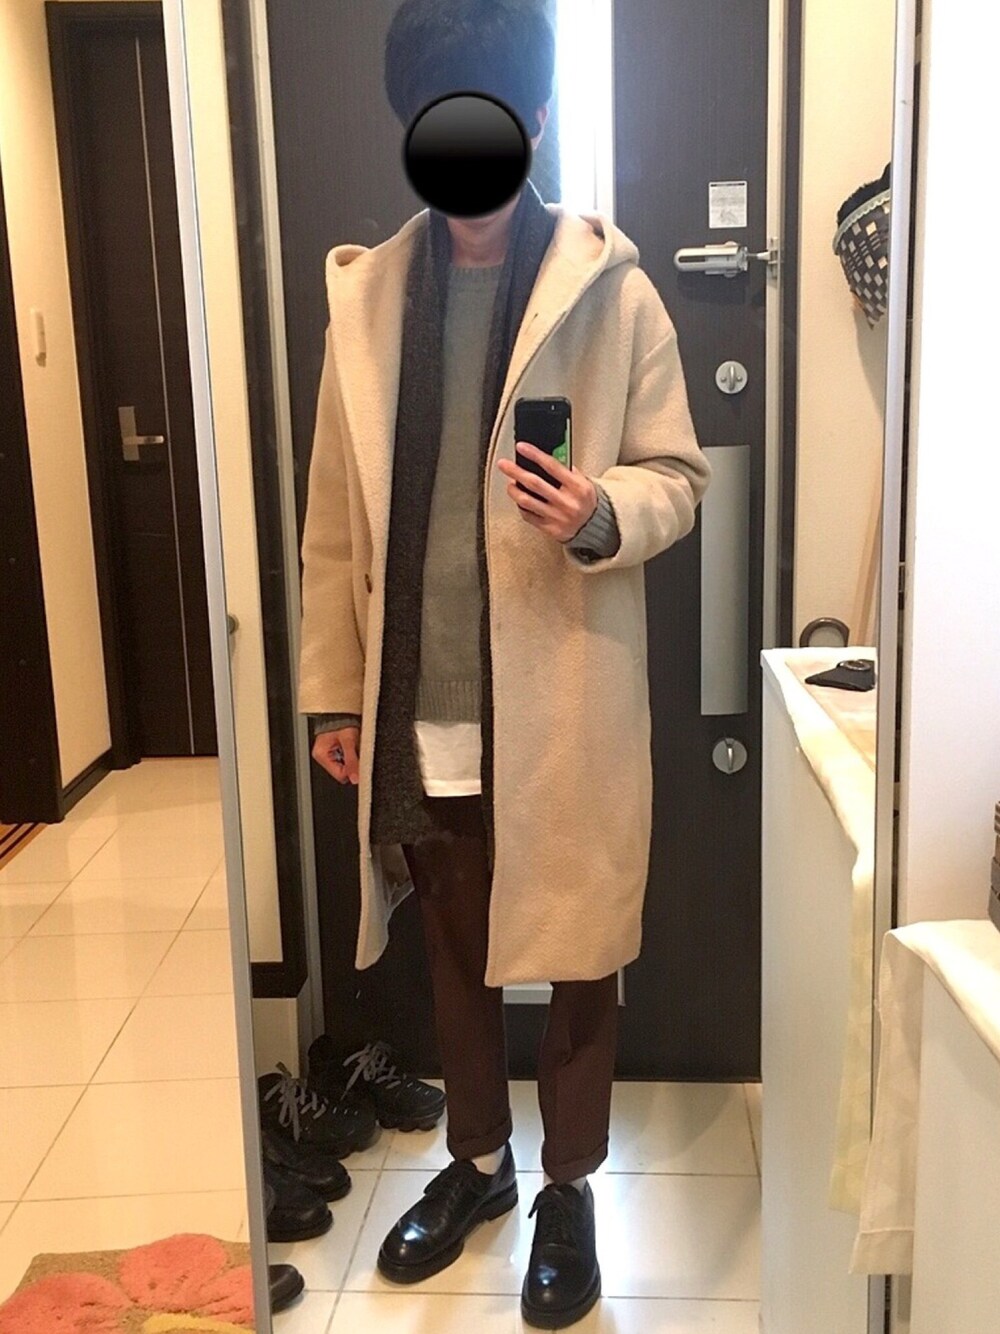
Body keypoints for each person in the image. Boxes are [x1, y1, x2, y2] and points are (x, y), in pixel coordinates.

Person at [298, 1, 711, 1326]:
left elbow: (678, 478)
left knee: (581, 951)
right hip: (418, 694)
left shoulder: (613, 290)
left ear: (532, 120)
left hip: (562, 694)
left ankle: (570, 1186)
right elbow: (331, 521)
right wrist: (331, 688)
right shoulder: (367, 299)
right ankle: (478, 1165)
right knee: (455, 946)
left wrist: (598, 509)